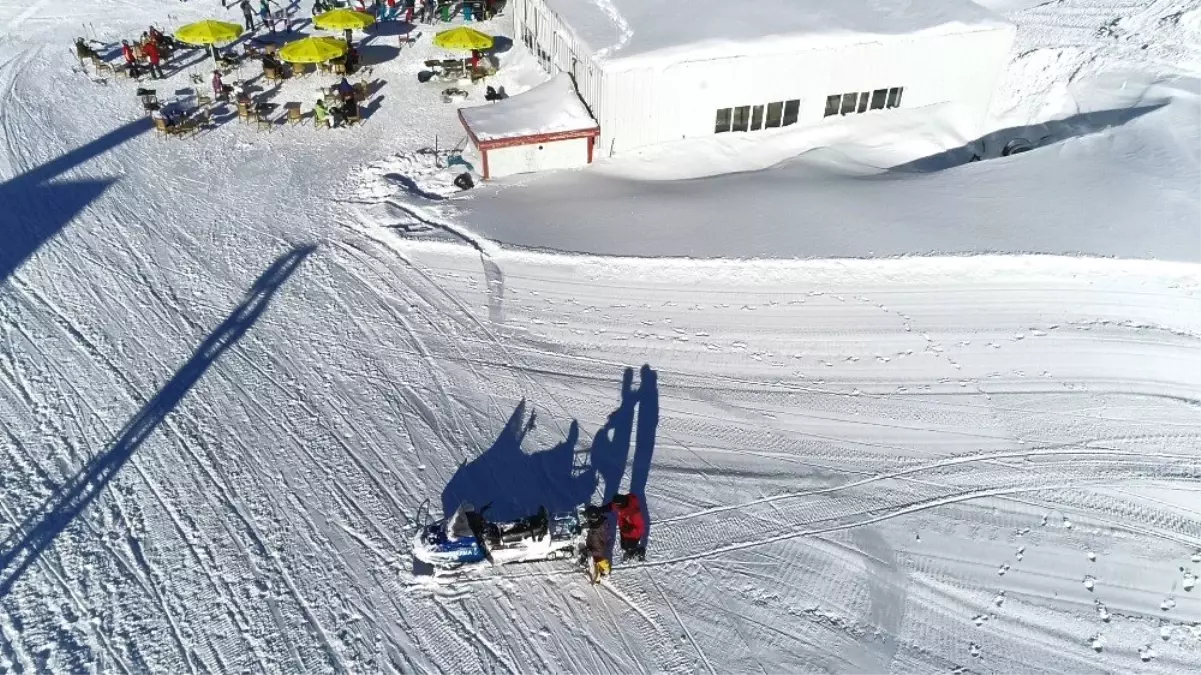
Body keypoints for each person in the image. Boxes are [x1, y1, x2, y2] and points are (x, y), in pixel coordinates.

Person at [606, 493, 646, 562]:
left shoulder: (635, 514)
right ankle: (630, 551)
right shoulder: (621, 505)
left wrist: (630, 531)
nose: (616, 507)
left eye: (617, 505)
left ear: (621, 505)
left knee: (630, 546)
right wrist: (598, 510)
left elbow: (640, 529)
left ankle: (640, 551)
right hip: (624, 529)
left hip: (634, 534)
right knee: (623, 546)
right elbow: (611, 506)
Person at [581, 505, 611, 584]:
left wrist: (589, 552)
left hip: (596, 549)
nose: (587, 519)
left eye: (588, 518)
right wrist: (582, 526)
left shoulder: (597, 533)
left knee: (596, 561)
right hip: (594, 545)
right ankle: (605, 570)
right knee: (598, 559)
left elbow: (598, 550)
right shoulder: (599, 521)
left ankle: (598, 577)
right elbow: (592, 524)